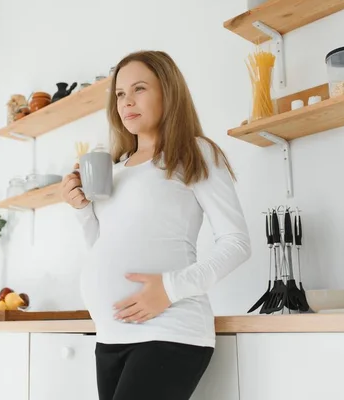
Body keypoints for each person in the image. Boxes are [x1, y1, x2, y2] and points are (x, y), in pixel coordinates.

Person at [60, 50, 251, 400]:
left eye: (139, 89)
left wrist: (171, 289)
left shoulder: (194, 152)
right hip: (110, 336)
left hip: (169, 332)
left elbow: (236, 242)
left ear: (168, 92)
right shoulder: (114, 168)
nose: (126, 101)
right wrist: (83, 210)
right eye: (119, 93)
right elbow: (104, 246)